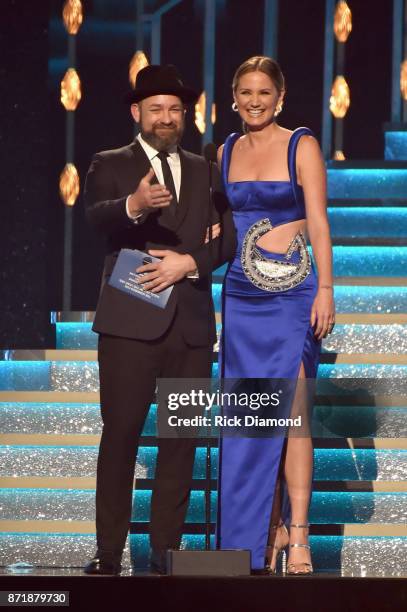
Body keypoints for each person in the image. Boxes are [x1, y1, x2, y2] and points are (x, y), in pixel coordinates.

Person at [83, 64, 236, 575]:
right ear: (137, 113)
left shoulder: (206, 167)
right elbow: (96, 216)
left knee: (181, 441)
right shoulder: (110, 162)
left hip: (190, 325)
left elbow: (230, 238)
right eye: (156, 109)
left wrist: (190, 262)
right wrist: (135, 203)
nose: (167, 118)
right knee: (121, 434)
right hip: (131, 320)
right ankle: (108, 554)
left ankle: (165, 553)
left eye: (175, 109)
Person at [215, 56, 335, 575]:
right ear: (234, 97)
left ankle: (300, 535)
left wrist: (326, 289)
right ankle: (258, 536)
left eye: (264, 92)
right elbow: (220, 223)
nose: (255, 100)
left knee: (294, 413)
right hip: (241, 293)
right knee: (251, 416)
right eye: (246, 91)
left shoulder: (301, 144)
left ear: (280, 97)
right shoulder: (223, 152)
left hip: (292, 292)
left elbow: (320, 221)